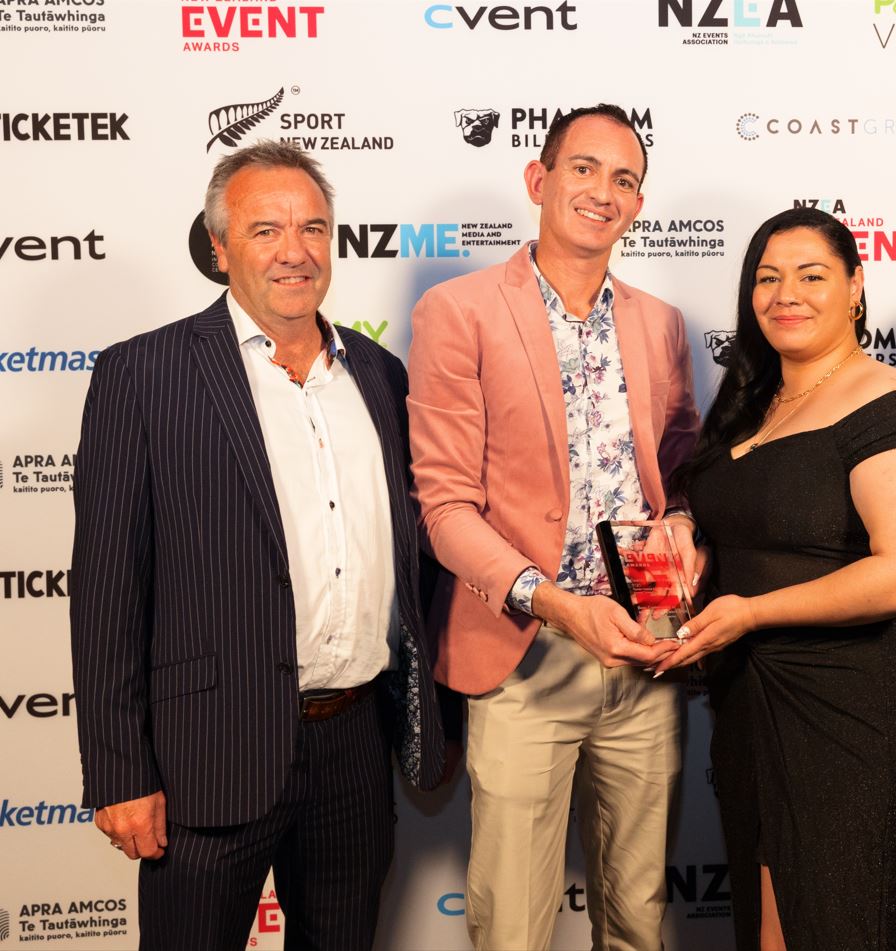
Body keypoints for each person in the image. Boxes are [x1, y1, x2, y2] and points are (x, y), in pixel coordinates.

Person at [70, 141, 446, 951]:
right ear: (219, 247)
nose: (296, 251)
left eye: (313, 227)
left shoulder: (379, 375)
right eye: (266, 229)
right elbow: (106, 587)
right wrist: (120, 772)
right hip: (206, 754)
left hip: (352, 745)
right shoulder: (143, 373)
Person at [407, 103, 701, 951]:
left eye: (624, 179)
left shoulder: (659, 323)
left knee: (638, 915)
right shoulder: (457, 310)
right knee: (514, 926)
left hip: (645, 644)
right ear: (538, 180)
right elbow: (445, 509)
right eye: (583, 169)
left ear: (639, 205)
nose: (602, 192)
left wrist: (682, 527)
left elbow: (678, 477)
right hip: (524, 652)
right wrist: (556, 604)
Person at [659, 206, 896, 951]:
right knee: (769, 930)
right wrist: (688, 530)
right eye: (766, 277)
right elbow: (729, 510)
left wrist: (751, 612)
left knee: (838, 923)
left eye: (811, 275)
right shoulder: (752, 399)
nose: (784, 293)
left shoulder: (893, 404)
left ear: (855, 287)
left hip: (850, 708)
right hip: (749, 702)